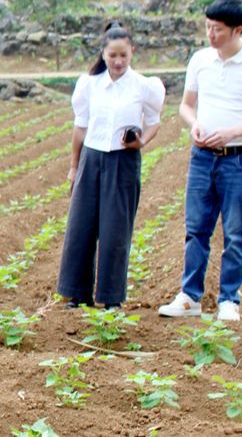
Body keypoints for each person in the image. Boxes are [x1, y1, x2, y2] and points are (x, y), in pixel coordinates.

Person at [159, 0, 242, 323]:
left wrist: (232, 133)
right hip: (202, 156)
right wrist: (194, 124)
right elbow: (186, 105)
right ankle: (190, 296)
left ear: (237, 30)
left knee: (234, 231)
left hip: (239, 159)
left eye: (218, 29)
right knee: (196, 228)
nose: (211, 35)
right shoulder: (200, 60)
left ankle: (229, 299)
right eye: (208, 27)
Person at [56, 23, 165, 309]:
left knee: (115, 230)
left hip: (123, 160)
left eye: (123, 55)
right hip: (91, 158)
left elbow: (154, 122)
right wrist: (74, 167)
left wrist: (141, 142)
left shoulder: (144, 86)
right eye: (112, 55)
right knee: (80, 226)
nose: (118, 61)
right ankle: (77, 294)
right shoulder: (90, 85)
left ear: (132, 53)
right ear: (103, 53)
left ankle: (111, 298)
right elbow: (80, 128)